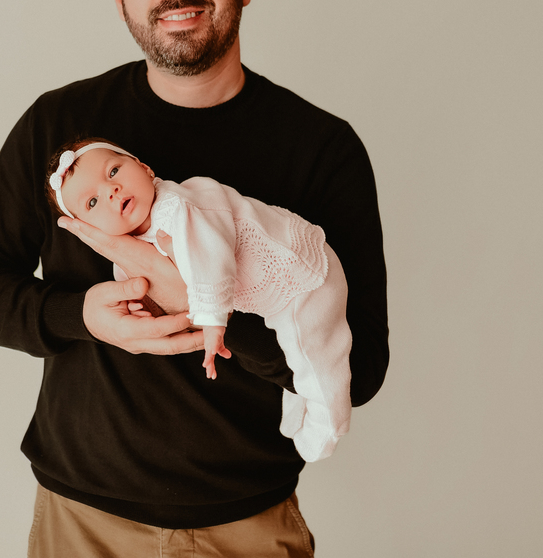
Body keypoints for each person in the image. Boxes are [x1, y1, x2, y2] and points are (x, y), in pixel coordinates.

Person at [0, 0, 388, 556]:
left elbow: (364, 367)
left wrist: (208, 306)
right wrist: (82, 315)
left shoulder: (322, 148)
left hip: (247, 525)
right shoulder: (60, 129)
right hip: (80, 522)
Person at [47, 137, 353, 462]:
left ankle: (327, 429)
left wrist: (211, 322)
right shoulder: (133, 241)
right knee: (297, 354)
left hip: (300, 274)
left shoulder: (177, 207)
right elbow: (137, 278)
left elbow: (211, 259)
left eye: (113, 171)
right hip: (274, 295)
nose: (111, 190)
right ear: (89, 230)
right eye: (92, 202)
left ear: (144, 168)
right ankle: (302, 406)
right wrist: (139, 305)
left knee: (318, 357)